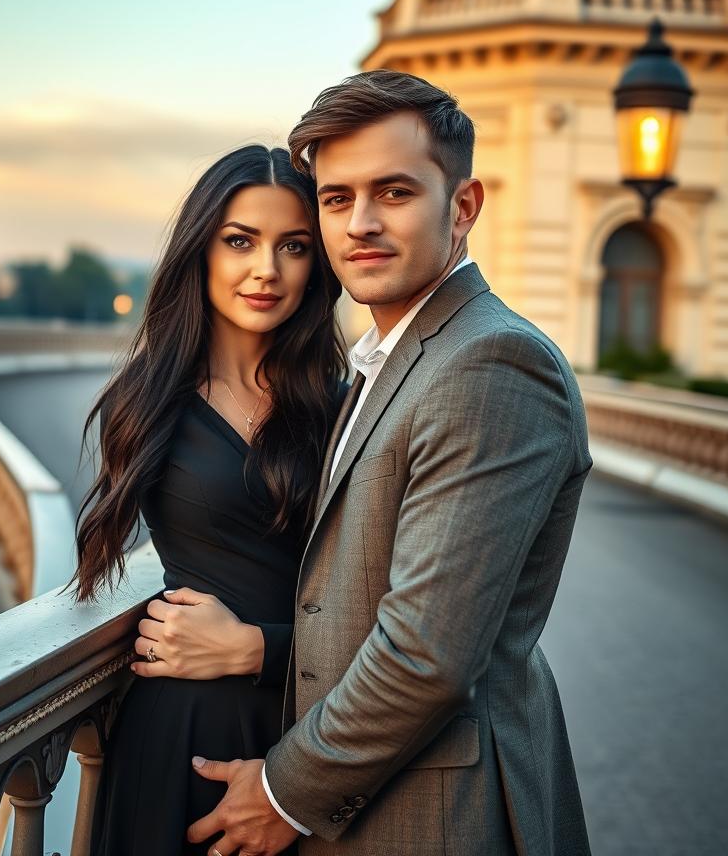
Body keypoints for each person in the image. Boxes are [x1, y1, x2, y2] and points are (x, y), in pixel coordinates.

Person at [184, 71, 593, 856]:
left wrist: (281, 793)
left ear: (462, 207)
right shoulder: (388, 361)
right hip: (374, 801)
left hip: (436, 818)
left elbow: (426, 654)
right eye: (336, 199)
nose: (360, 224)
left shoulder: (492, 363)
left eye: (395, 192)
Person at [74, 144, 347, 856]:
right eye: (240, 242)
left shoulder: (345, 409)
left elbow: (381, 604)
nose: (267, 270)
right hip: (181, 730)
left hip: (311, 737)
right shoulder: (144, 404)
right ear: (202, 251)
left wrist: (262, 650)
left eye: (294, 246)